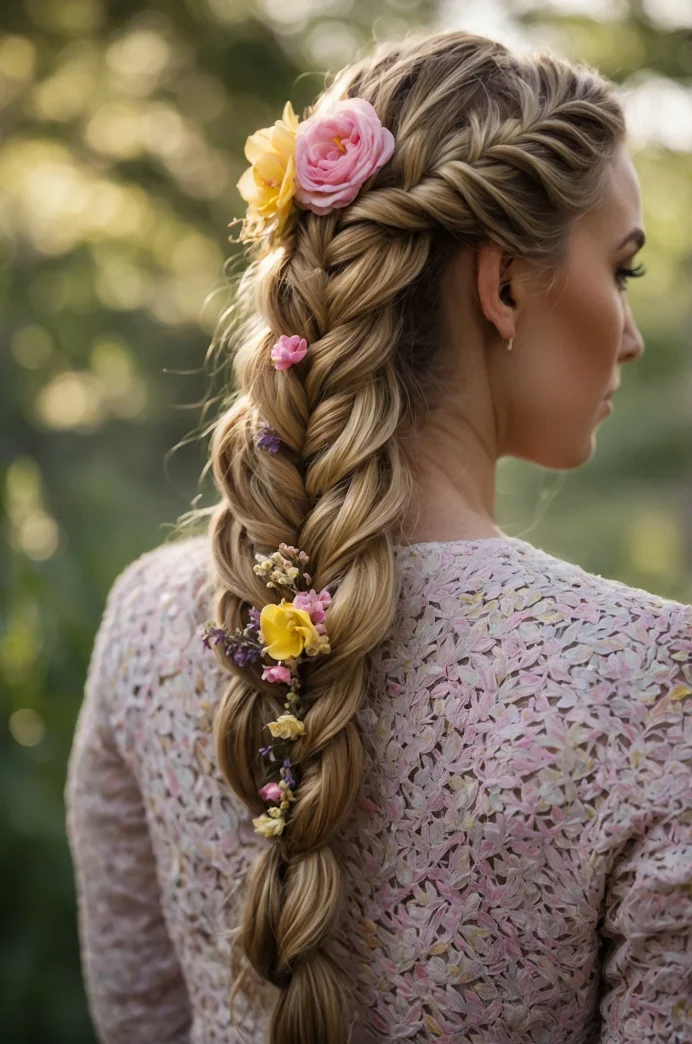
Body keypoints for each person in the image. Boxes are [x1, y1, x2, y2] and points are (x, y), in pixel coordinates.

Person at [64, 28, 692, 1044]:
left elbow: (138, 1017)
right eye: (622, 268)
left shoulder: (144, 624)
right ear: (500, 287)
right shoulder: (655, 687)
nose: (629, 333)